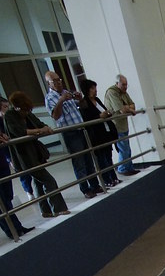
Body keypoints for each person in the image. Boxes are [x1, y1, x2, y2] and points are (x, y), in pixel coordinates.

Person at [5, 91, 70, 219]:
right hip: (24, 156)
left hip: (35, 152)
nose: (26, 112)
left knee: (38, 182)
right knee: (48, 180)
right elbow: (19, 132)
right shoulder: (10, 115)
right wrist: (39, 130)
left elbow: (39, 123)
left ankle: (45, 210)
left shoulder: (27, 113)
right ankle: (59, 208)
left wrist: (45, 127)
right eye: (23, 109)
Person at [44, 70, 103, 198]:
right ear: (49, 84)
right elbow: (55, 116)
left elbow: (83, 106)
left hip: (82, 129)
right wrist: (61, 100)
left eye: (59, 80)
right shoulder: (49, 98)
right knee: (79, 162)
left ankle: (95, 185)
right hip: (70, 133)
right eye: (55, 81)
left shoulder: (67, 92)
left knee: (89, 159)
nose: (59, 83)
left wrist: (80, 99)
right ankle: (85, 189)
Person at [0, 97, 33, 241]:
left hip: (2, 164)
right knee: (2, 202)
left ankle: (17, 227)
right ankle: (13, 229)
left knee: (7, 198)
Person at [79, 79, 119, 189]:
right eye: (92, 88)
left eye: (95, 88)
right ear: (87, 90)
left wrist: (107, 113)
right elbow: (87, 119)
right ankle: (107, 180)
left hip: (106, 132)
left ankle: (113, 177)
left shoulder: (97, 100)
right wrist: (99, 116)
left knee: (108, 157)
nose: (95, 90)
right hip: (96, 135)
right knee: (101, 159)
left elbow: (104, 110)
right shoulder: (84, 103)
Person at [104, 73, 139, 176]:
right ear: (117, 83)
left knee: (127, 148)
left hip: (123, 125)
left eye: (126, 84)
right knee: (123, 148)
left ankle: (129, 167)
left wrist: (128, 108)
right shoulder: (112, 92)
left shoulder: (123, 93)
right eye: (123, 84)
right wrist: (129, 109)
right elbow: (122, 110)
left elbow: (133, 105)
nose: (125, 87)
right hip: (116, 126)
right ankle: (122, 168)